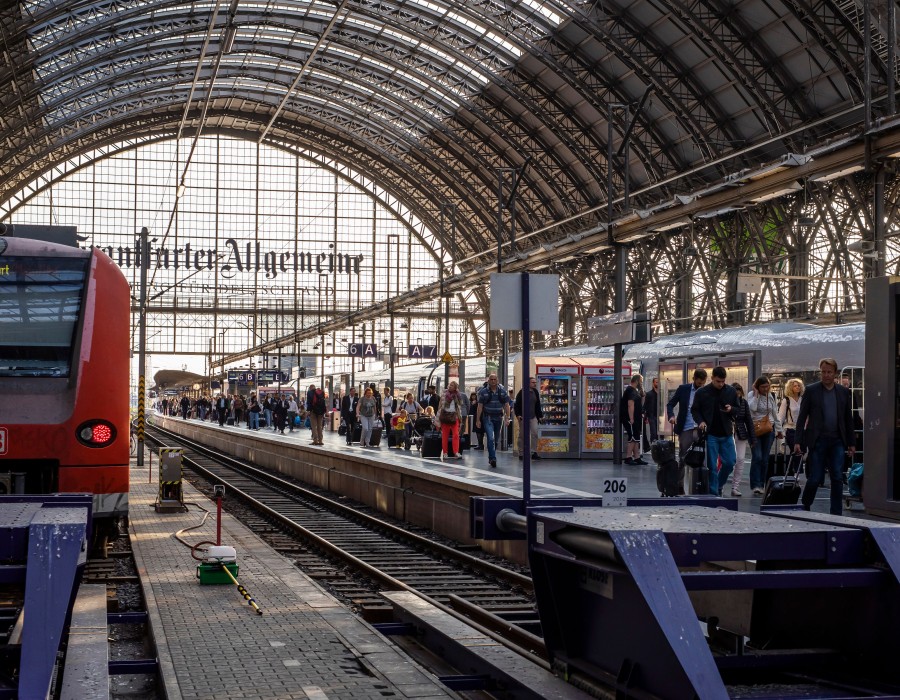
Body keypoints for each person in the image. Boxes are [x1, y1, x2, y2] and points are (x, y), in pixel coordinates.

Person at [795, 358, 855, 515]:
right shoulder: (812, 390)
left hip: (837, 440)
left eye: (829, 372)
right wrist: (798, 441)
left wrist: (851, 442)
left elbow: (848, 418)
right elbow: (802, 417)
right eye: (823, 372)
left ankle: (836, 513)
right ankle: (805, 504)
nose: (826, 375)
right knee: (815, 477)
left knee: (836, 476)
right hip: (818, 439)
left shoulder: (843, 392)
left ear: (835, 373)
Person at [690, 366, 737, 495]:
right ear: (712, 378)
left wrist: (731, 409)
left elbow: (738, 409)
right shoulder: (702, 392)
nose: (721, 384)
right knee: (712, 466)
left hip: (726, 433)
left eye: (723, 381)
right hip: (710, 434)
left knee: (730, 462)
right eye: (718, 381)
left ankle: (719, 485)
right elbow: (695, 410)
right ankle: (714, 492)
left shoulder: (731, 391)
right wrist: (701, 422)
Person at [666, 368, 707, 494]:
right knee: (683, 457)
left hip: (701, 429)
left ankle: (699, 485)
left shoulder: (707, 391)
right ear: (694, 379)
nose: (701, 386)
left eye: (703, 383)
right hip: (686, 427)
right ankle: (679, 485)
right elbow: (670, 404)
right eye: (699, 383)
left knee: (702, 458)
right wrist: (671, 416)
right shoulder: (683, 389)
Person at [747, 376, 783, 495]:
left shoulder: (772, 396)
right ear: (758, 387)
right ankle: (755, 484)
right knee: (757, 457)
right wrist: (756, 394)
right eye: (763, 387)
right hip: (755, 430)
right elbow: (752, 408)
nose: (765, 389)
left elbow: (775, 413)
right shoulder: (751, 395)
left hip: (768, 429)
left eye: (767, 386)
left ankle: (762, 484)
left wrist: (779, 430)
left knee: (765, 459)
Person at [476, 373, 510, 469]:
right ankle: (492, 458)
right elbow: (480, 407)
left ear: (497, 380)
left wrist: (507, 417)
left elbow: (507, 405)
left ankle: (491, 455)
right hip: (488, 417)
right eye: (491, 379)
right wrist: (478, 420)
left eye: (495, 379)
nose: (493, 381)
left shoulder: (503, 392)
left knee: (496, 439)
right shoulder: (483, 392)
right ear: (488, 381)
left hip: (499, 418)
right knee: (490, 438)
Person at [729, 383, 755, 496]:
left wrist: (752, 438)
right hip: (727, 432)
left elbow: (748, 420)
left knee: (740, 460)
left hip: (740, 432)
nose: (738, 394)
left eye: (739, 392)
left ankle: (735, 486)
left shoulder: (743, 403)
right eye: (735, 392)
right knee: (728, 461)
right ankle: (720, 483)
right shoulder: (725, 402)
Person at [514, 377, 543, 460]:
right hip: (523, 417)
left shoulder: (535, 392)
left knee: (535, 433)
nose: (534, 383)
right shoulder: (521, 392)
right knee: (522, 435)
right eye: (532, 382)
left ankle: (534, 452)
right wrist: (518, 415)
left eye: (535, 382)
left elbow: (537, 405)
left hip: (533, 417)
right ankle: (521, 453)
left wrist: (540, 416)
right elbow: (517, 405)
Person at [621, 375, 646, 465]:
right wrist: (631, 418)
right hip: (631, 418)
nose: (641, 383)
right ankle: (628, 457)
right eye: (641, 381)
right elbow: (630, 405)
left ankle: (637, 457)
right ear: (637, 381)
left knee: (636, 437)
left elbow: (640, 402)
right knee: (632, 437)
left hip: (636, 417)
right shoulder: (630, 391)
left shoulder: (634, 391)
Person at [437, 381, 464, 459]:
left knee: (456, 435)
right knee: (445, 435)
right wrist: (437, 419)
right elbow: (440, 406)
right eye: (449, 385)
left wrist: (460, 417)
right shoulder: (444, 394)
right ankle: (445, 453)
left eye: (452, 385)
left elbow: (460, 405)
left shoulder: (457, 395)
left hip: (454, 417)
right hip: (445, 416)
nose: (450, 386)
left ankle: (456, 452)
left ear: (455, 387)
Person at [778, 378, 804, 451]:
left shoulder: (803, 399)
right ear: (790, 388)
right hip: (791, 429)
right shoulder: (786, 400)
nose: (797, 387)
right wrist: (779, 431)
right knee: (795, 451)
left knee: (803, 451)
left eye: (799, 385)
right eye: (795, 386)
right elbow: (781, 417)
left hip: (802, 430)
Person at [643, 377, 659, 451]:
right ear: (653, 383)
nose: (657, 383)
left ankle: (658, 446)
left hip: (660, 416)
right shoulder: (649, 394)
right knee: (653, 432)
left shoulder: (661, 393)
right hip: (651, 416)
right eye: (656, 382)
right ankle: (653, 447)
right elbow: (645, 405)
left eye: (658, 382)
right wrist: (645, 417)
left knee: (659, 432)